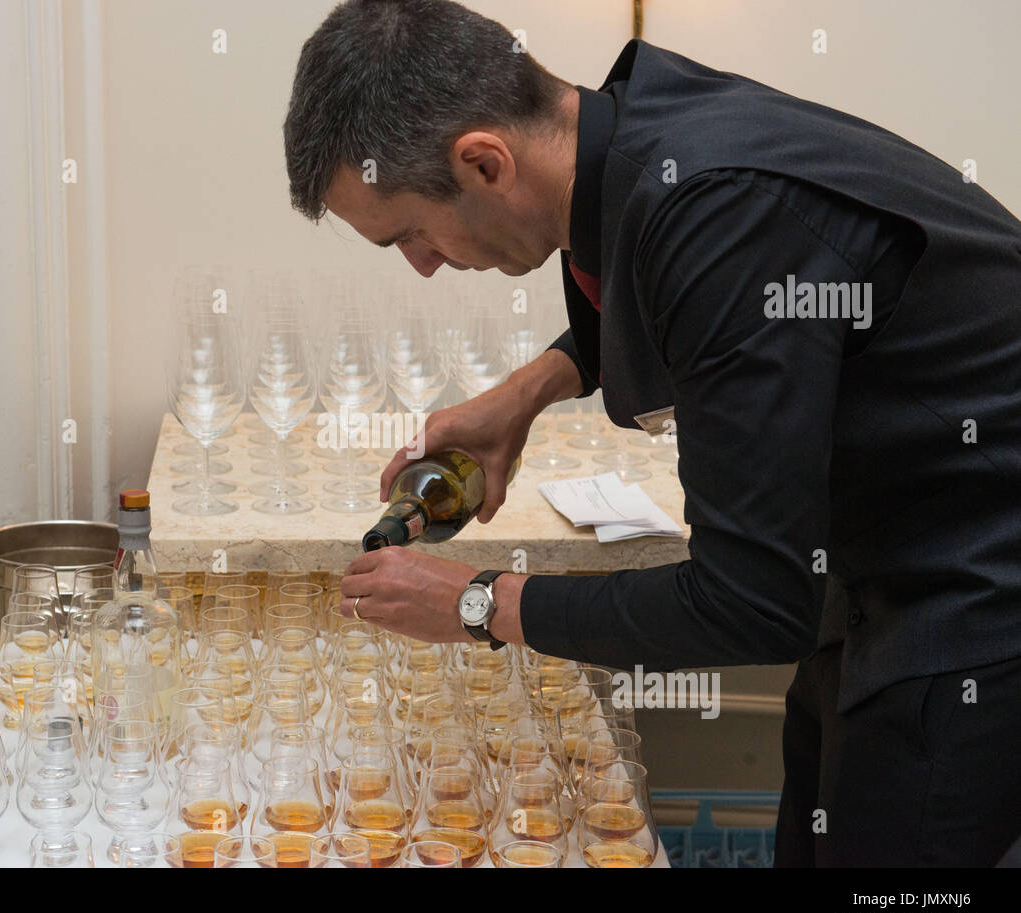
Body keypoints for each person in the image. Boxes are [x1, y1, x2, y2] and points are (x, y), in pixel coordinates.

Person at [282, 0, 1021, 867]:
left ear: (483, 161)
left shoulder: (716, 211)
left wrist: (477, 603)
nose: (424, 264)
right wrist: (526, 393)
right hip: (878, 564)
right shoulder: (632, 137)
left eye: (410, 234)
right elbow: (667, 294)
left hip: (977, 590)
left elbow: (747, 602)